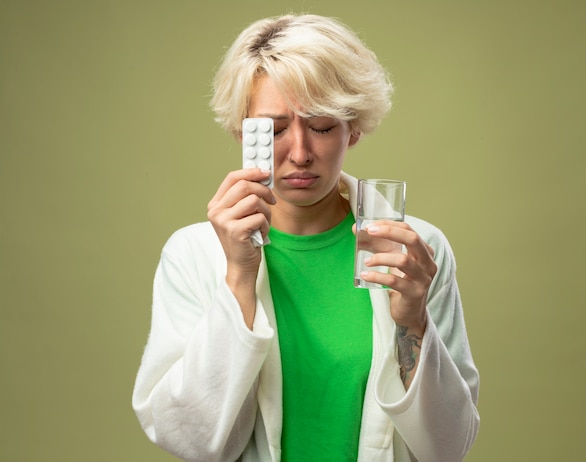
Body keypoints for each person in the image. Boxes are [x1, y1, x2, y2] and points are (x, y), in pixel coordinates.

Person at [132, 13, 479, 462]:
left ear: (352, 129)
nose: (298, 153)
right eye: (273, 130)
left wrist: (413, 320)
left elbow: (448, 447)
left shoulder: (413, 250)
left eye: (321, 127)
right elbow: (193, 442)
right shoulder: (193, 254)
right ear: (242, 132)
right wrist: (238, 274)